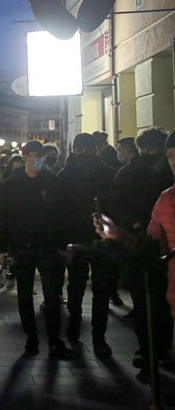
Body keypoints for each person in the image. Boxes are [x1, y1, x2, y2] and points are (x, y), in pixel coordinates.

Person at [0, 141, 72, 359]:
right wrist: (3, 248)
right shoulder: (11, 185)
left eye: (42, 155)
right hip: (22, 247)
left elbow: (61, 215)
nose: (40, 159)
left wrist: (63, 244)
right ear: (25, 157)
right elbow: (3, 218)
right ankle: (31, 337)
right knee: (24, 295)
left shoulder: (52, 181)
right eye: (36, 155)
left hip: (48, 246)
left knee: (52, 295)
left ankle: (54, 339)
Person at [109, 127, 174, 369]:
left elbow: (115, 204)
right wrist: (132, 224)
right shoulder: (130, 174)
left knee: (154, 302)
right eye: (145, 149)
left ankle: (154, 348)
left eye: (152, 149)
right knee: (148, 302)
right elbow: (115, 204)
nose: (148, 153)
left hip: (148, 246)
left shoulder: (163, 175)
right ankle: (151, 349)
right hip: (142, 245)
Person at [56, 133, 117, 356]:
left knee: (77, 286)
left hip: (78, 239)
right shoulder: (108, 173)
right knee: (99, 289)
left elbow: (59, 211)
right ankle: (98, 337)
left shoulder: (64, 175)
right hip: (101, 239)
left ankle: (75, 326)